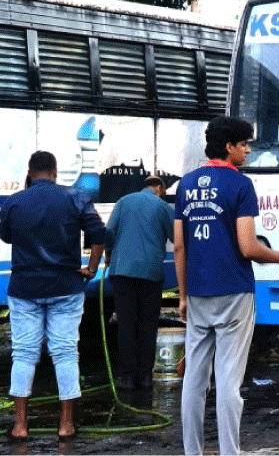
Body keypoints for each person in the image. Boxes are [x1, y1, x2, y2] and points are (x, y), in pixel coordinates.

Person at [174, 116, 279, 455]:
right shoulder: (240, 186)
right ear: (229, 147)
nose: (247, 150)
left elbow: (179, 246)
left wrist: (184, 296)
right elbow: (248, 247)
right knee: (229, 382)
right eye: (244, 144)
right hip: (234, 292)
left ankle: (193, 452)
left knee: (194, 380)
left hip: (199, 292)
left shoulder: (185, 185)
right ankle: (230, 452)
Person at [0, 151, 105, 442]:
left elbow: (6, 236)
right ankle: (65, 425)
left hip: (25, 288)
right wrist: (92, 268)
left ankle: (20, 426)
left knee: (23, 354)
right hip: (66, 286)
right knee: (65, 353)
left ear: (30, 173)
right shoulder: (75, 197)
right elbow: (99, 234)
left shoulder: (14, 201)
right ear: (55, 171)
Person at [105, 175, 174, 390]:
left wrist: (109, 254)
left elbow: (108, 233)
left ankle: (126, 377)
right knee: (147, 323)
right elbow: (177, 238)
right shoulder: (163, 207)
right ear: (160, 188)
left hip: (122, 271)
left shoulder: (123, 202)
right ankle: (145, 376)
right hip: (151, 273)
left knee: (126, 323)